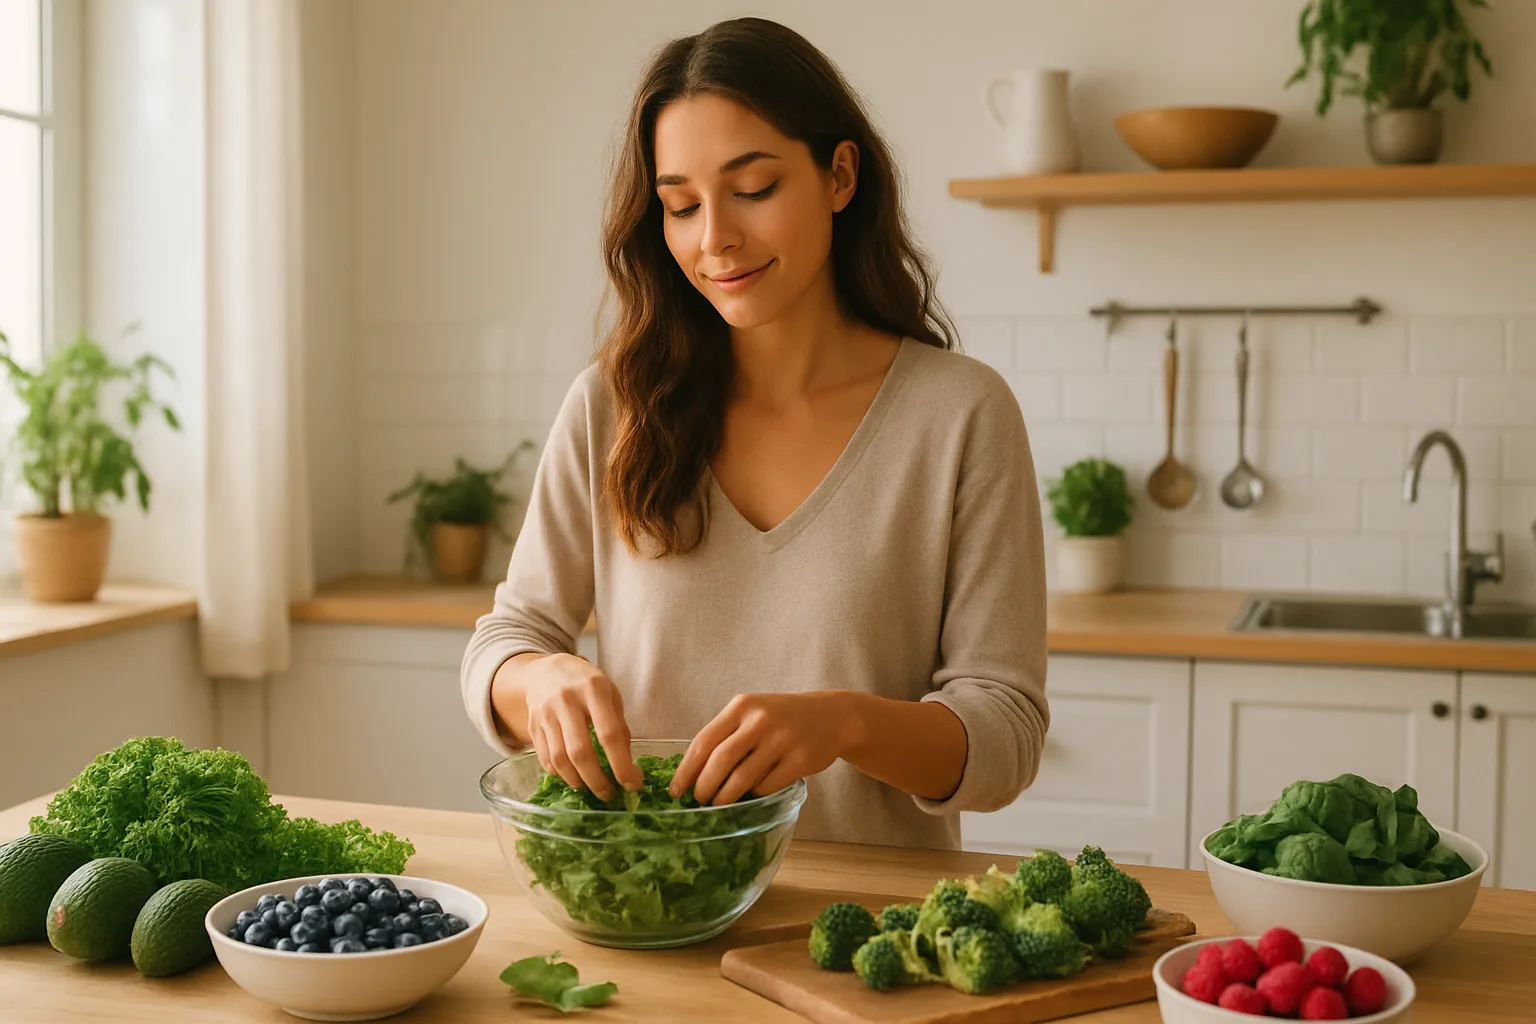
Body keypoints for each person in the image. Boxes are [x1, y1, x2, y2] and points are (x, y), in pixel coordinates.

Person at [461, 16, 1048, 849]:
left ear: (839, 175)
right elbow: (508, 640)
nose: (715, 239)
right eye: (681, 206)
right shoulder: (612, 406)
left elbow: (1006, 732)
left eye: (755, 188)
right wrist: (540, 680)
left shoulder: (961, 414)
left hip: (870, 918)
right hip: (654, 902)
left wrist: (846, 724)